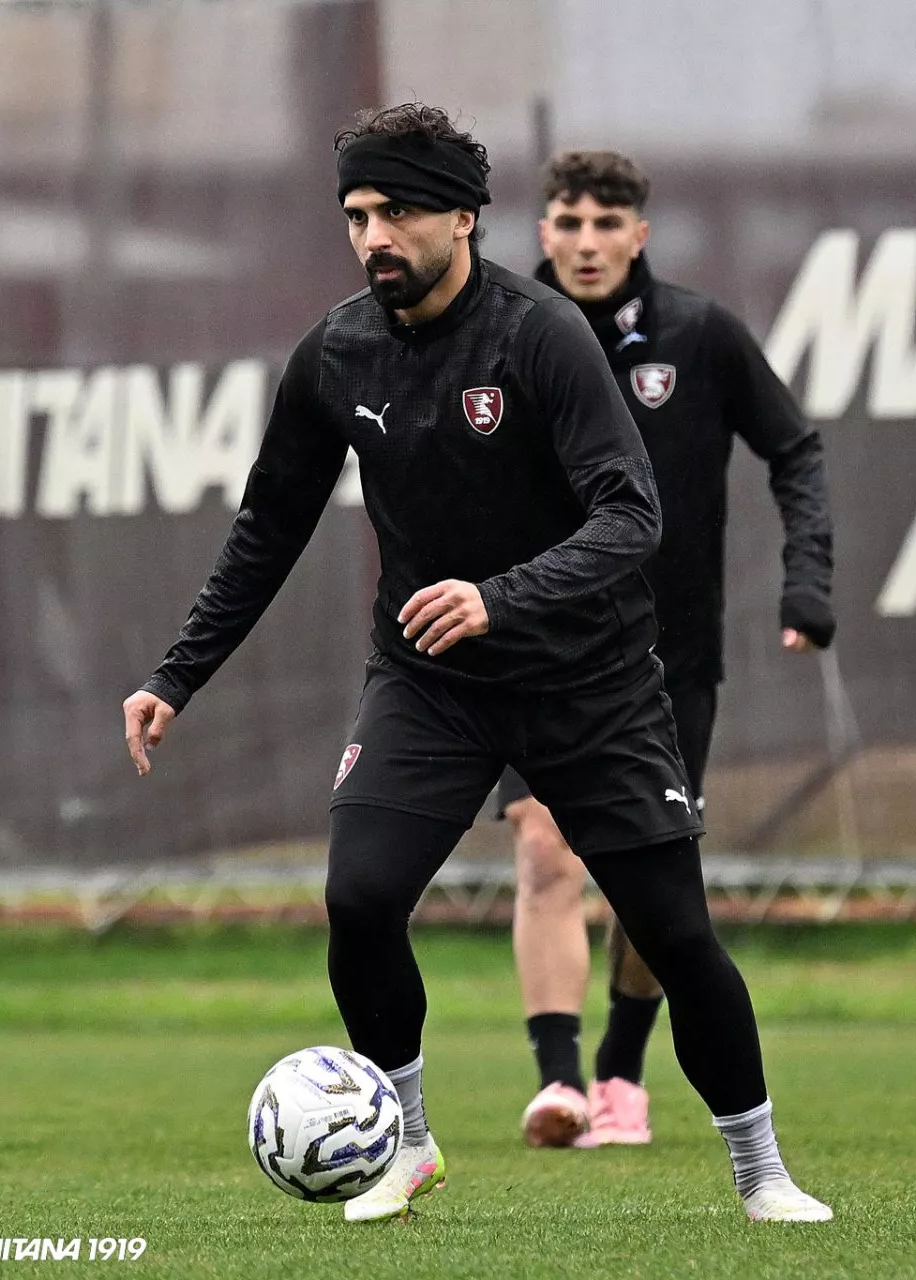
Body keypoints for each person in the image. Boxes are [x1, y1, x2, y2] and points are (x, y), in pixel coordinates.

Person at [122, 103, 830, 1224]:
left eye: (396, 210)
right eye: (356, 214)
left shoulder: (543, 336)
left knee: (675, 932)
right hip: (430, 685)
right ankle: (403, 1142)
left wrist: (500, 597)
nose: (372, 236)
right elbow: (268, 528)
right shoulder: (335, 352)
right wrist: (176, 674)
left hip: (590, 686)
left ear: (463, 215)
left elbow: (631, 514)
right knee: (358, 897)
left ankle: (762, 1170)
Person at [506, 151, 835, 1150]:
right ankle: (561, 1084)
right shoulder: (503, 331)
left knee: (653, 881)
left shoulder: (699, 334)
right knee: (546, 850)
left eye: (609, 223)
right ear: (546, 229)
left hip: (665, 659)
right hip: (529, 647)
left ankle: (619, 1069)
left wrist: (808, 580)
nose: (587, 241)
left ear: (640, 234)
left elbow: (797, 448)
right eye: (569, 222)